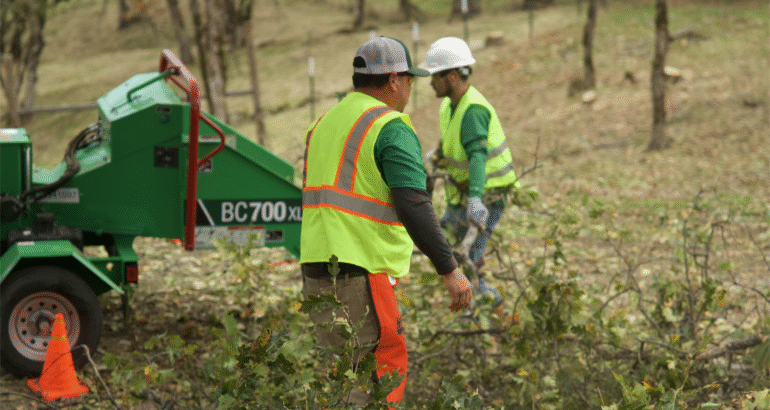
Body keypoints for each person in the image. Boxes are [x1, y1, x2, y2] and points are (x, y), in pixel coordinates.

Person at [300, 36, 472, 407]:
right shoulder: (389, 126)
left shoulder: (322, 125)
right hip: (362, 273)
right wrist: (450, 269)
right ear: (394, 80)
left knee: (343, 378)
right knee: (379, 380)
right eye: (410, 80)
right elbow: (413, 203)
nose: (411, 88)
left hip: (315, 275)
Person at [423, 37, 518, 304]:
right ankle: (478, 307)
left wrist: (475, 199)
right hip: (462, 194)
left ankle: (490, 314)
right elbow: (454, 142)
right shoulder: (449, 105)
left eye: (435, 76)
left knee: (468, 263)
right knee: (447, 249)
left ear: (453, 75)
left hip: (486, 196)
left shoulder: (473, 110)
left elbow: (477, 157)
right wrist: (439, 155)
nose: (430, 82)